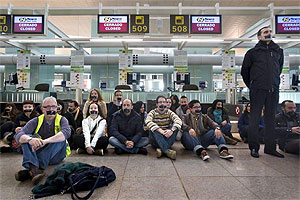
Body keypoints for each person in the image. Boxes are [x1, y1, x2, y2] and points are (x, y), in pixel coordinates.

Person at [241, 26, 284, 158]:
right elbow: (245, 72)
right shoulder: (252, 53)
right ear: (259, 37)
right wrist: (253, 85)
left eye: (270, 32)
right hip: (257, 89)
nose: (268, 34)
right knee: (254, 119)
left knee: (271, 119)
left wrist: (274, 82)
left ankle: (270, 148)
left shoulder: (278, 51)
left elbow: (279, 69)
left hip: (273, 89)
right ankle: (254, 148)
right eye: (265, 32)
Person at [14, 97, 71, 185]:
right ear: (42, 109)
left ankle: (32, 169)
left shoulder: (62, 120)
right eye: (47, 107)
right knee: (27, 137)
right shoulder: (36, 120)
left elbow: (66, 133)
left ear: (57, 108)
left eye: (53, 107)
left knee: (60, 138)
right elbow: (18, 135)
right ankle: (34, 171)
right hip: (38, 151)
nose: (50, 109)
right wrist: (30, 140)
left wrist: (46, 141)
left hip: (57, 155)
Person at [145, 95, 182, 160]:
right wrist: (160, 130)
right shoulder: (152, 112)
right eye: (160, 102)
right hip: (155, 140)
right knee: (154, 128)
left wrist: (172, 130)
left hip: (166, 137)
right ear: (157, 104)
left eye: (164, 102)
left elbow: (178, 120)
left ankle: (162, 150)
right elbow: (147, 121)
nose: (162, 103)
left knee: (176, 127)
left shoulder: (169, 112)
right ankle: (167, 151)